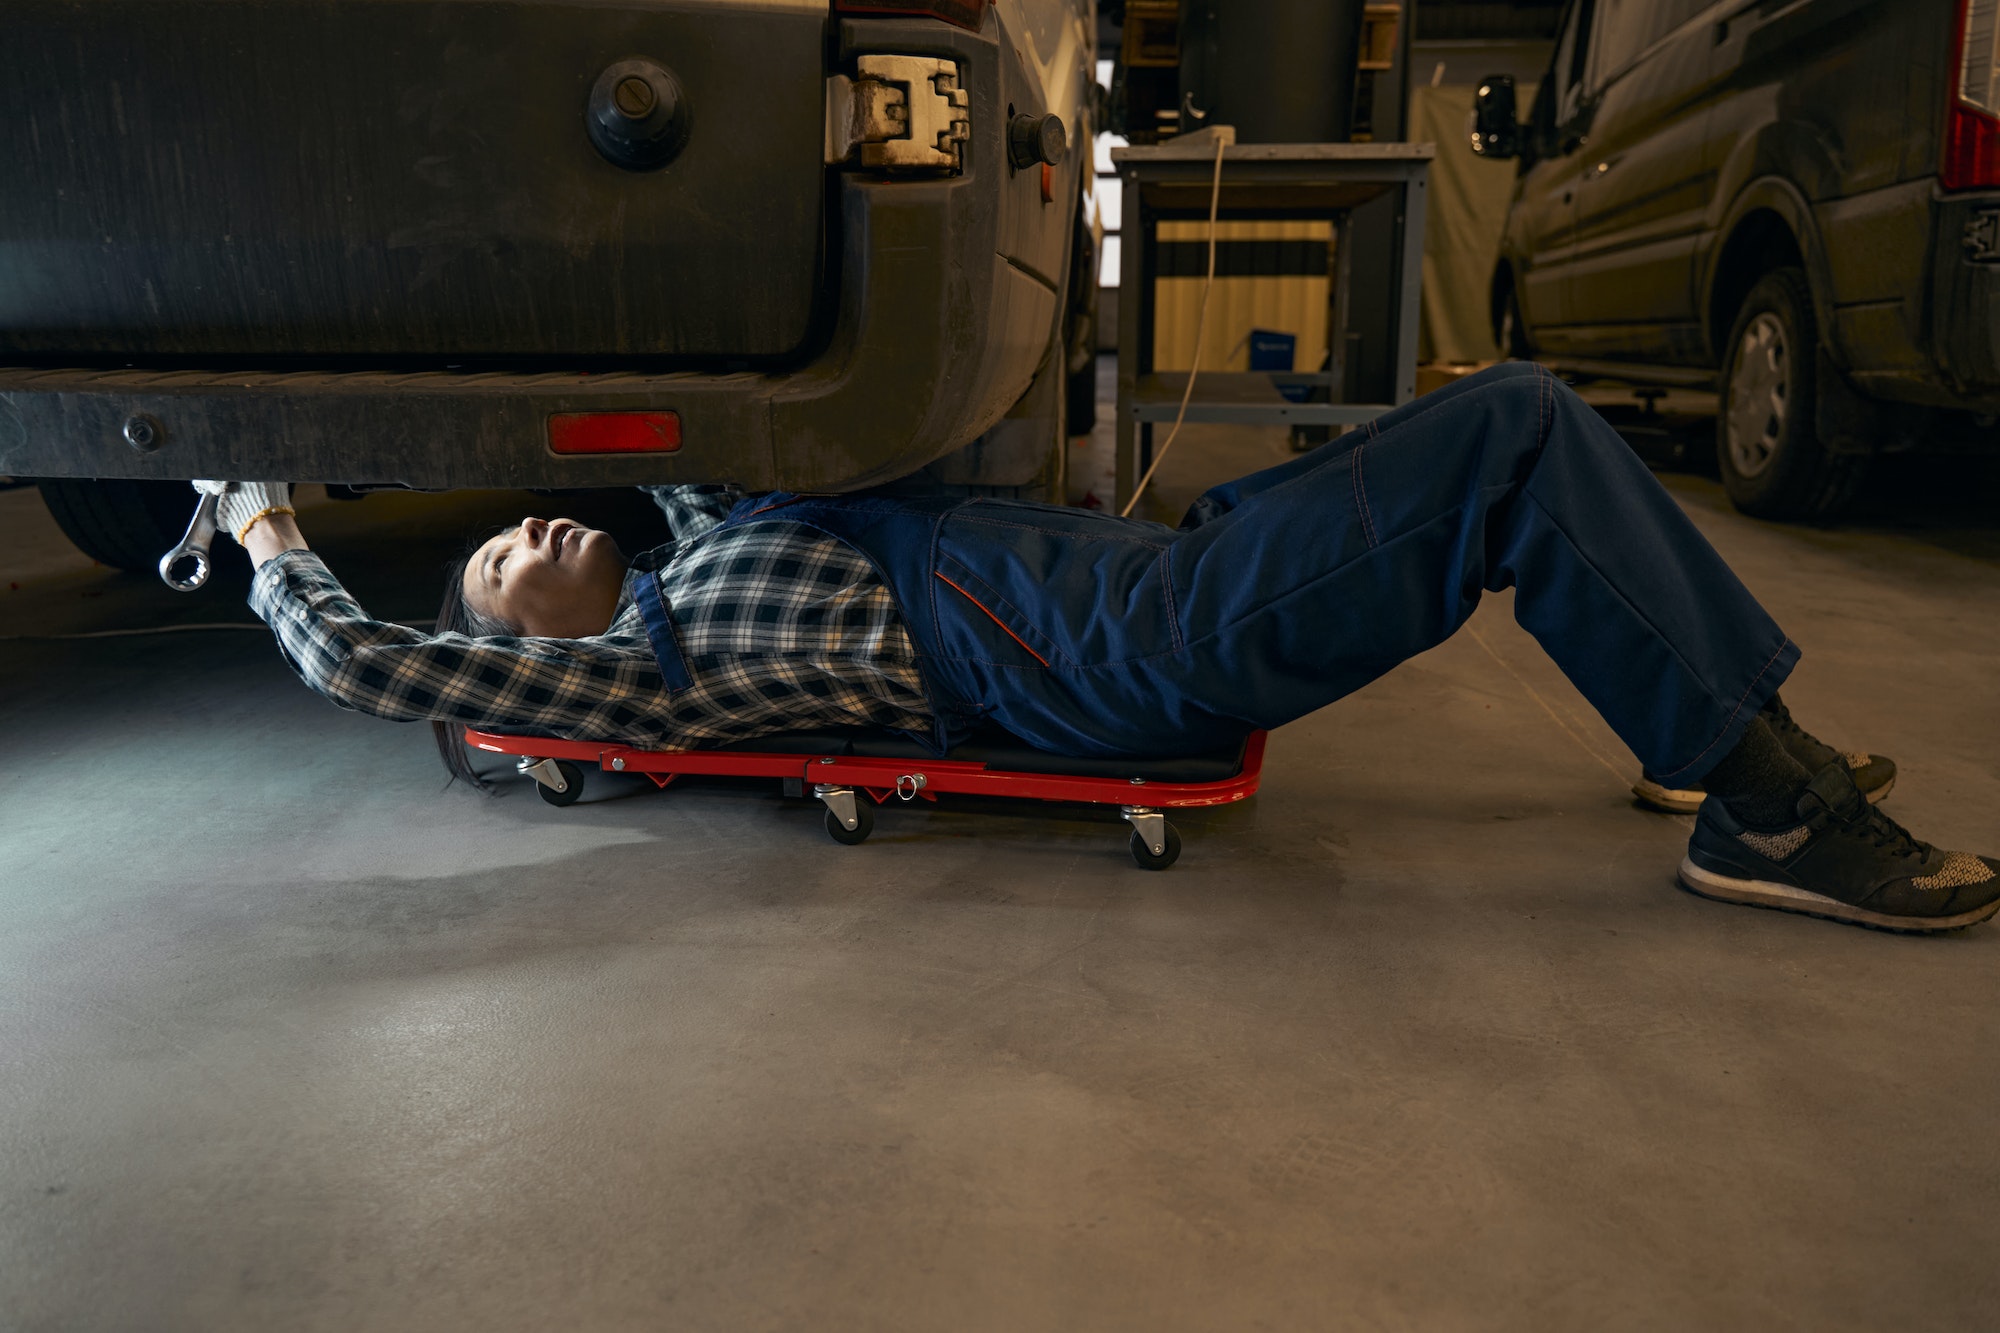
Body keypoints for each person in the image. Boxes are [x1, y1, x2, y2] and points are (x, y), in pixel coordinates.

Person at [212, 363, 1996, 933]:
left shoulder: (708, 541)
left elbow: (685, 408)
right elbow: (367, 668)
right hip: (1119, 651)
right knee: (1515, 430)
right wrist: (263, 517)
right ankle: (1764, 800)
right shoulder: (637, 677)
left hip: (1142, 570)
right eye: (502, 564)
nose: (529, 532)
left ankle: (1709, 733)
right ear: (523, 673)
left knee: (1504, 437)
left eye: (516, 522)